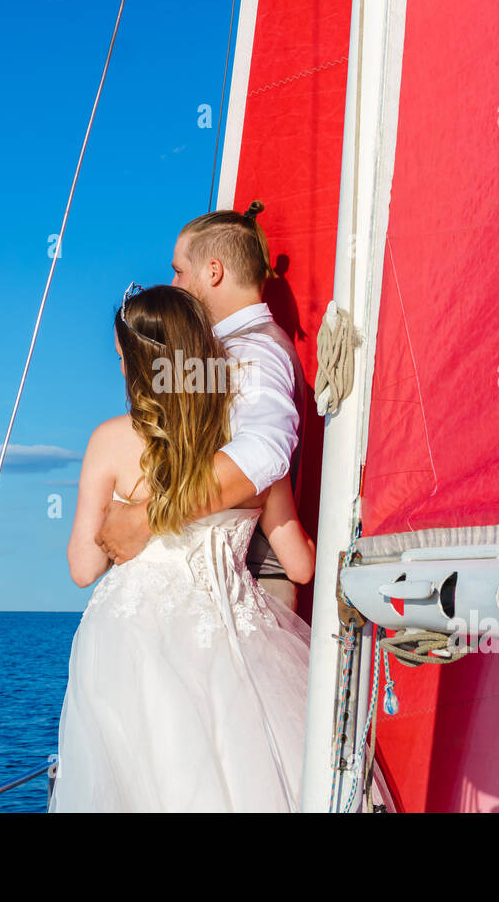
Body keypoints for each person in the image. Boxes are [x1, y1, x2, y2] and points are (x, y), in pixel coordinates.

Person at [48, 284, 315, 811]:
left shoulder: (111, 440)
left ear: (136, 365)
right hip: (241, 641)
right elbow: (301, 566)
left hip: (132, 643)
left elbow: (83, 567)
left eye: (123, 358)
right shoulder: (247, 453)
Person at [96, 202, 308, 613]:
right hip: (222, 584)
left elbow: (263, 452)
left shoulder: (254, 355)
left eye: (179, 271)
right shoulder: (223, 355)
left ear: (213, 272)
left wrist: (146, 516)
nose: (173, 284)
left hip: (249, 586)